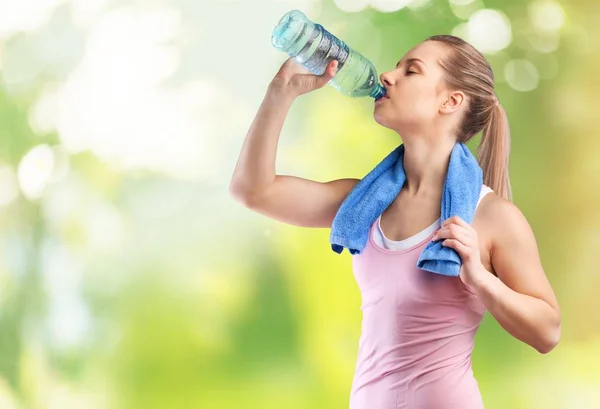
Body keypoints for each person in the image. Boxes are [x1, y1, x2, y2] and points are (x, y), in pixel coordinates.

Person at [229, 35, 561, 409]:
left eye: (411, 70)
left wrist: (481, 280)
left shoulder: (491, 216)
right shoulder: (363, 205)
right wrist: (280, 93)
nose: (387, 76)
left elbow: (547, 331)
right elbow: (252, 191)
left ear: (450, 101)